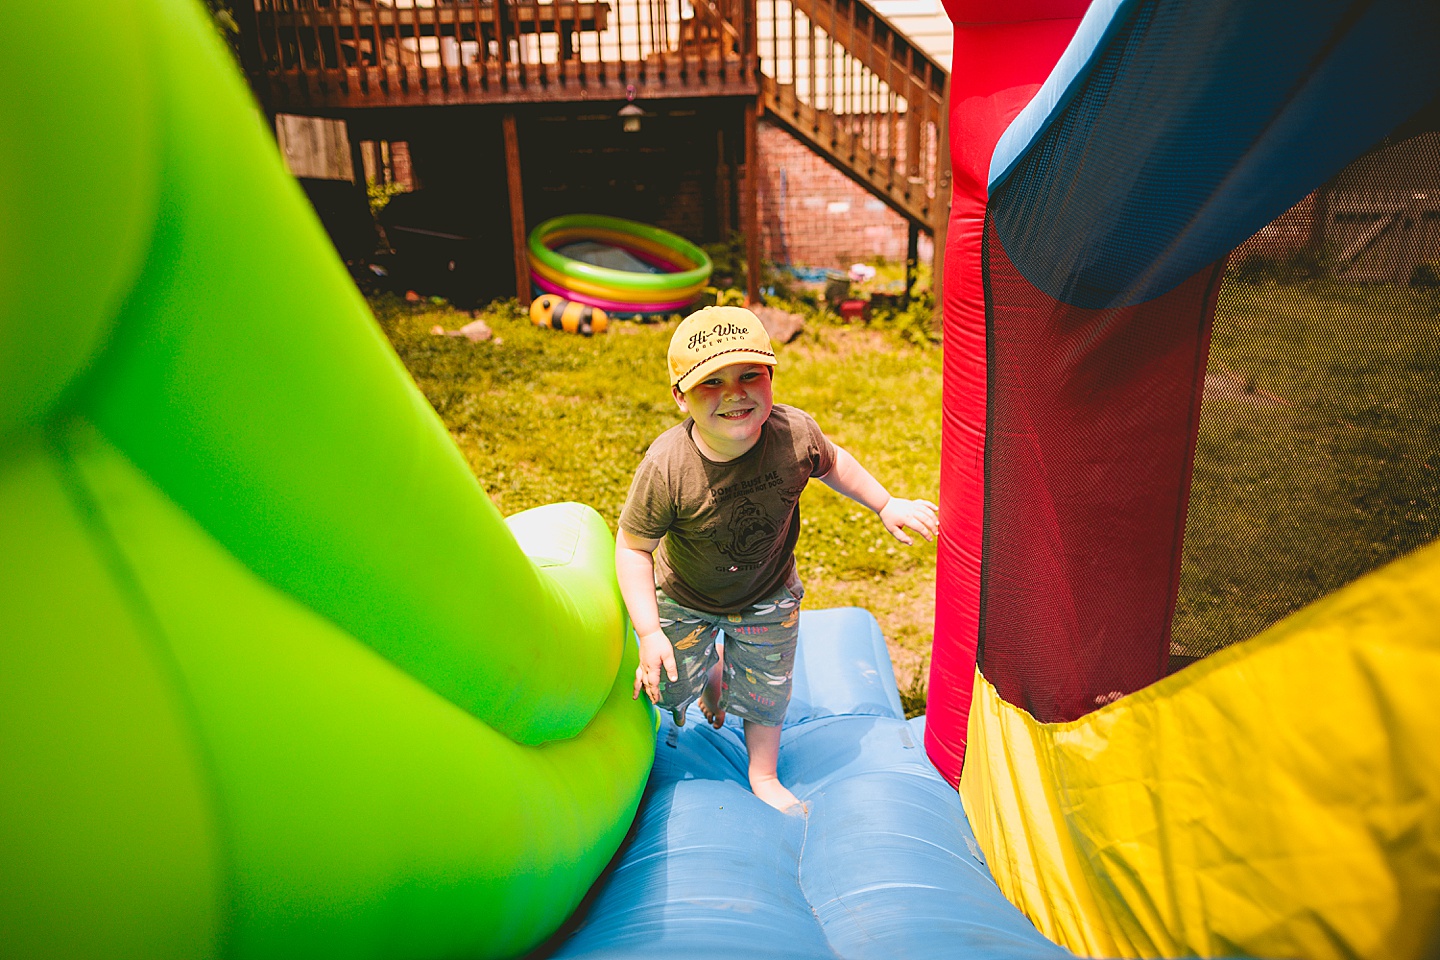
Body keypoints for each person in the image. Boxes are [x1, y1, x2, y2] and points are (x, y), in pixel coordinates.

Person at [616, 305, 938, 813]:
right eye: (711, 383)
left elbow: (834, 463)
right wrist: (650, 632)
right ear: (679, 397)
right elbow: (634, 548)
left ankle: (762, 773)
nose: (735, 393)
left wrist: (885, 502)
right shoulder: (667, 467)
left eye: (750, 375)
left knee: (767, 692)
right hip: (686, 596)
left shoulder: (795, 435)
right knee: (672, 693)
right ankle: (714, 672)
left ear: (771, 377)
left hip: (767, 592)